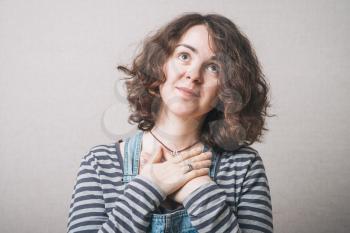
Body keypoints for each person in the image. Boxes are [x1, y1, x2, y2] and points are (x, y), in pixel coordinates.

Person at [67, 13, 273, 233]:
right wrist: (148, 188)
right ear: (159, 64)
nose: (193, 74)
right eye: (184, 56)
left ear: (228, 89)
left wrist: (198, 190)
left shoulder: (243, 167)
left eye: (214, 67)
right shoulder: (100, 164)